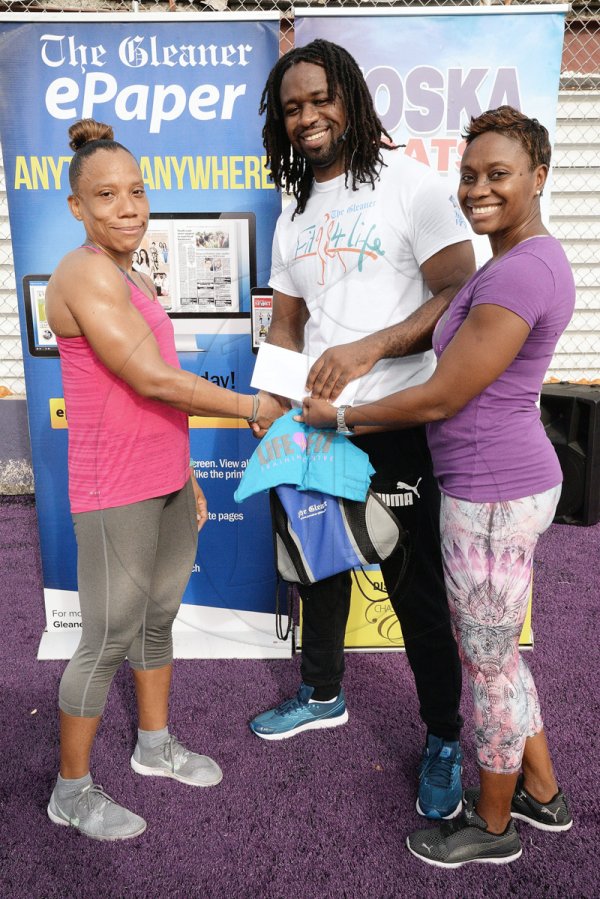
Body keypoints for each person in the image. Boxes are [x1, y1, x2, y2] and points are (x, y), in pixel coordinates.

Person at [299, 106, 575, 867]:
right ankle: (541, 793)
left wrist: (344, 417)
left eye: (498, 174)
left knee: (488, 667)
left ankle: (490, 826)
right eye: (470, 174)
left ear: (539, 177)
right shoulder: (507, 261)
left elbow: (444, 394)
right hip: (492, 483)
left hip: (492, 492)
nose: (477, 188)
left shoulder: (524, 269)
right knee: (498, 657)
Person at [248, 39, 476, 821]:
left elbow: (460, 290)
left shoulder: (411, 185)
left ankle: (444, 737)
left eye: (321, 99)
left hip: (392, 421)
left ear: (351, 98)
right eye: (292, 107)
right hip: (312, 429)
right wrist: (267, 406)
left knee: (413, 590)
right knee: (318, 568)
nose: (308, 116)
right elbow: (286, 324)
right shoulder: (295, 207)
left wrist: (371, 347)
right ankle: (321, 693)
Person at [44, 118, 278, 842]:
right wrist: (253, 407)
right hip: (114, 488)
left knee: (156, 618)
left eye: (137, 191)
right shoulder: (80, 273)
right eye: (106, 194)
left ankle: (152, 745)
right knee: (106, 636)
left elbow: (153, 395)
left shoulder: (133, 272)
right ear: (77, 207)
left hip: (165, 478)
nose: (128, 206)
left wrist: (186, 475)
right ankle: (70, 790)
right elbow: (150, 376)